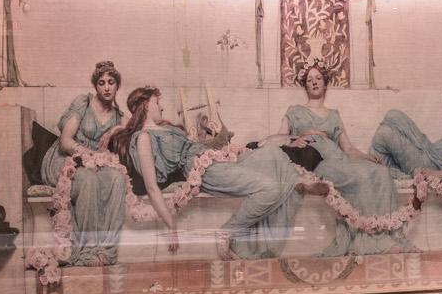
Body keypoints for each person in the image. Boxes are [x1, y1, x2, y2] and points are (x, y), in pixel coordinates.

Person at [108, 86, 302, 260]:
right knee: (270, 189)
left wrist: (215, 136)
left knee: (272, 152)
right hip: (203, 168)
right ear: (145, 105)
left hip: (213, 157)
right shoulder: (143, 138)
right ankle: (227, 232)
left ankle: (301, 183)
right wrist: (170, 224)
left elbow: (197, 144)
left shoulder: (164, 128)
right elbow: (151, 187)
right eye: (157, 103)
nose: (161, 107)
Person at [284, 62, 398, 255]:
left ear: (325, 83)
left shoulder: (333, 115)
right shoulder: (294, 111)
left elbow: (348, 148)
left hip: (337, 157)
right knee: (361, 176)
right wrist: (293, 142)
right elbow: (279, 137)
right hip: (317, 161)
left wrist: (366, 157)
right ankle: (368, 239)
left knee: (381, 172)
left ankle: (385, 234)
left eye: (318, 78)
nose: (314, 82)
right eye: (309, 80)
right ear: (305, 86)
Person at [42, 61, 129, 266]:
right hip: (67, 161)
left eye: (111, 82)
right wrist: (90, 155)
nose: (106, 87)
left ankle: (105, 250)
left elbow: (139, 128)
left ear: (117, 85)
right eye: (101, 83)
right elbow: (65, 142)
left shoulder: (118, 116)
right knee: (89, 180)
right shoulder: (83, 103)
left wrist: (116, 130)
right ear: (95, 86)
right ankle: (85, 251)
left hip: (95, 166)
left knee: (117, 179)